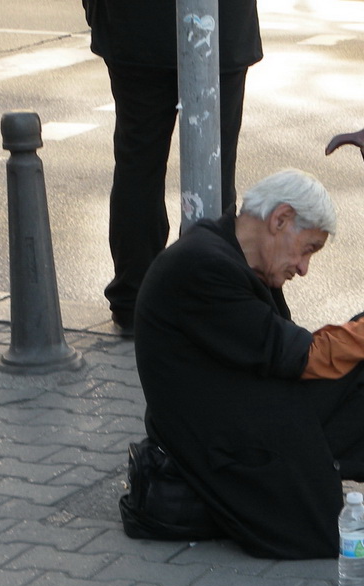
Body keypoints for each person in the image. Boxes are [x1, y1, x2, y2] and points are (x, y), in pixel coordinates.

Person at [132, 169, 364, 560]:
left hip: (238, 405)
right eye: (308, 249)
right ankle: (295, 499)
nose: (303, 268)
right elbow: (306, 358)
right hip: (213, 434)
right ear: (280, 219)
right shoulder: (205, 265)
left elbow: (287, 350)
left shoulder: (231, 255)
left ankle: (313, 481)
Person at [82, 0, 262, 336]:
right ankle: (203, 297)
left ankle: (134, 300)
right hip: (218, 24)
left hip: (136, 25)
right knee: (214, 169)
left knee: (138, 166)